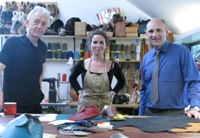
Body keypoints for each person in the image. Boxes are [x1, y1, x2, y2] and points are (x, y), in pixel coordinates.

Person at [139, 18, 200, 119]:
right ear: (146, 35)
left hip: (174, 115)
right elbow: (144, 90)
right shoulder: (146, 58)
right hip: (148, 114)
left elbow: (194, 81)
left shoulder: (182, 52)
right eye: (151, 31)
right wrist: (140, 116)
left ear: (166, 32)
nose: (154, 34)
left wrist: (195, 106)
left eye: (159, 30)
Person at [0, 6, 50, 113]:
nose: (39, 26)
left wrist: (40, 86)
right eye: (36, 22)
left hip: (35, 105)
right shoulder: (12, 43)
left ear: (46, 28)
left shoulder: (42, 47)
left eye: (43, 24)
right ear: (27, 23)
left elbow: (42, 67)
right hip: (14, 106)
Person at [69, 30, 125, 112]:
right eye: (95, 42)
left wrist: (113, 92)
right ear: (90, 44)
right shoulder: (82, 64)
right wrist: (80, 91)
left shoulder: (113, 65)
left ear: (106, 45)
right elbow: (72, 78)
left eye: (101, 42)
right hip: (85, 108)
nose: (98, 45)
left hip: (105, 108)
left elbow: (122, 81)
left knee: (106, 125)